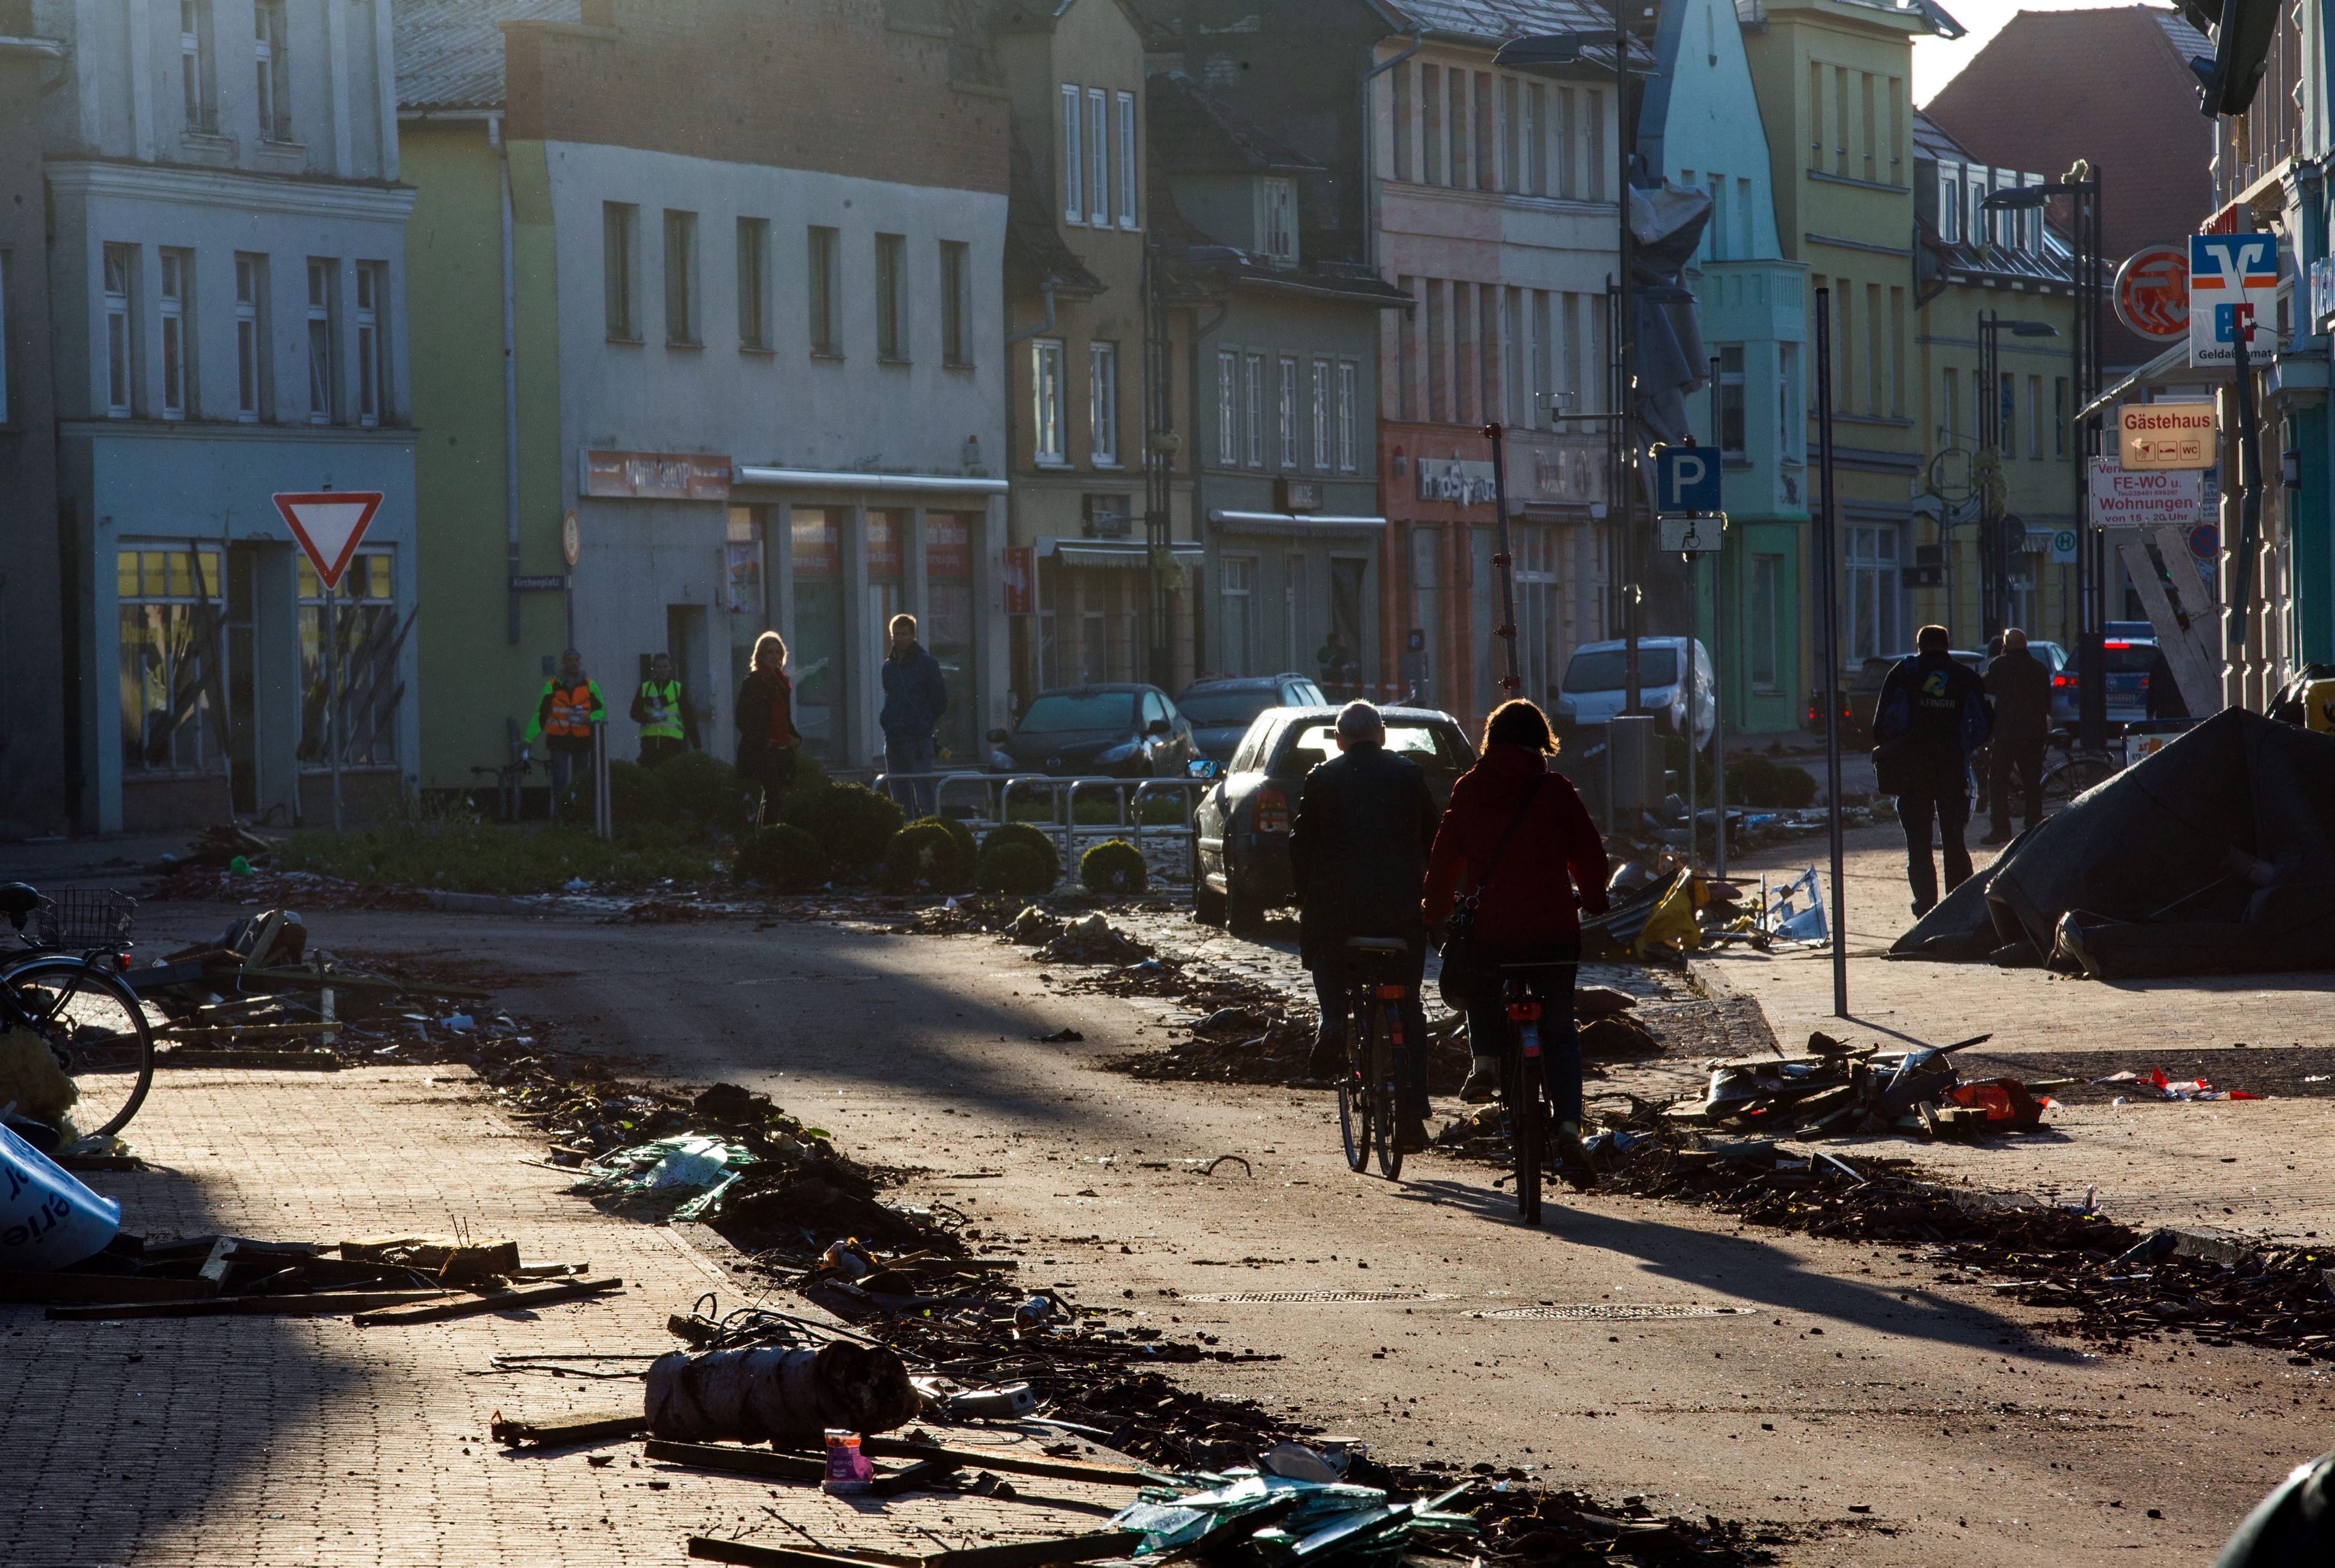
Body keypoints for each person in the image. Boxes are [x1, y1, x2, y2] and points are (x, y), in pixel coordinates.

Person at [1422, 699, 1610, 1188]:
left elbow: (1444, 858)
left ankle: (1485, 1061)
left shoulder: (1471, 789)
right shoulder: (1555, 790)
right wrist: (1593, 899)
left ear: (1491, 741)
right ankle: (1569, 1127)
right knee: (1560, 1029)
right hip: (1554, 932)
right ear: (1542, 742)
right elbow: (1589, 852)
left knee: (1482, 977)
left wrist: (1436, 910)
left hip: (1495, 930)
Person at [1289, 701, 1440, 1151]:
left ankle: (1332, 1020)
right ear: (1383, 735)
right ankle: (1413, 1112)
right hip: (1401, 911)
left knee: (1326, 949)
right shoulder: (1410, 775)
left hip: (1341, 912)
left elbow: (1301, 843)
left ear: (1340, 739)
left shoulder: (1323, 777)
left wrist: (1302, 893)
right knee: (1408, 1006)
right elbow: (1435, 840)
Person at [1872, 624, 1991, 917]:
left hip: (1911, 772)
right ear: (1947, 645)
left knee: (1919, 842)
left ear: (1920, 646)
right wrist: (1964, 744)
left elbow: (1879, 727)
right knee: (1954, 838)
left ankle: (1926, 908)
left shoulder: (1903, 673)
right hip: (1951, 769)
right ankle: (1959, 908)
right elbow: (1986, 725)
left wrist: (1898, 745)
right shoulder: (1965, 677)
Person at [1980, 628, 2051, 845]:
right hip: (2034, 733)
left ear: (2006, 645)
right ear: (2026, 644)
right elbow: (2047, 700)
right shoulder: (2039, 668)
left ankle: (2001, 829)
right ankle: (2033, 825)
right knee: (2032, 781)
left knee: (1998, 780)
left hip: (2006, 733)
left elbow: (1984, 687)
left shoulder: (1999, 666)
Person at [523, 649, 604, 822]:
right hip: (559, 740)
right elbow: (540, 714)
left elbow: (601, 710)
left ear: (580, 663)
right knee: (560, 780)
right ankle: (561, 817)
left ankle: (580, 817)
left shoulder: (589, 685)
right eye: (569, 660)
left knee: (580, 780)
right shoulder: (552, 685)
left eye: (576, 660)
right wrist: (529, 739)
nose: (573, 663)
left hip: (581, 739)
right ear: (564, 663)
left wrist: (590, 719)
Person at [879, 613, 947, 818]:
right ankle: (905, 836)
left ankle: (931, 834)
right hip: (894, 738)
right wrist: (888, 720)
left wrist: (923, 722)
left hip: (918, 738)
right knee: (899, 799)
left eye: (904, 634)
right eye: (896, 634)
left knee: (925, 794)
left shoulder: (926, 663)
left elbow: (940, 700)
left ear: (913, 636)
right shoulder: (888, 666)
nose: (899, 638)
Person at [735, 631, 801, 826]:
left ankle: (765, 838)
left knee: (775, 796)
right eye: (769, 652)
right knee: (774, 794)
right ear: (760, 656)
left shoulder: (782, 683)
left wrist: (795, 737)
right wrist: (763, 739)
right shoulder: (753, 682)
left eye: (777, 652)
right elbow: (742, 719)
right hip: (761, 750)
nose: (774, 656)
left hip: (781, 748)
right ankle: (766, 840)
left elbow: (784, 718)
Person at [629, 652, 700, 769]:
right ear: (654, 668)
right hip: (650, 746)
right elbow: (634, 713)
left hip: (673, 746)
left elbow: (689, 718)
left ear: (671, 668)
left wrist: (697, 745)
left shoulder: (678, 689)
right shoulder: (645, 688)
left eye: (665, 666)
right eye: (659, 667)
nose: (662, 670)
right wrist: (647, 718)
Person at [2146, 643, 2190, 720]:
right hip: (2164, 714)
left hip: (2179, 714)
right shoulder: (2159, 664)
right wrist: (2150, 713)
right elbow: (2152, 691)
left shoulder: (2181, 663)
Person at [1399, 629, 1430, 707]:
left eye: (1416, 639)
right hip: (1417, 692)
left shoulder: (1422, 656)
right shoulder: (1409, 657)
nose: (1414, 642)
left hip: (1420, 692)